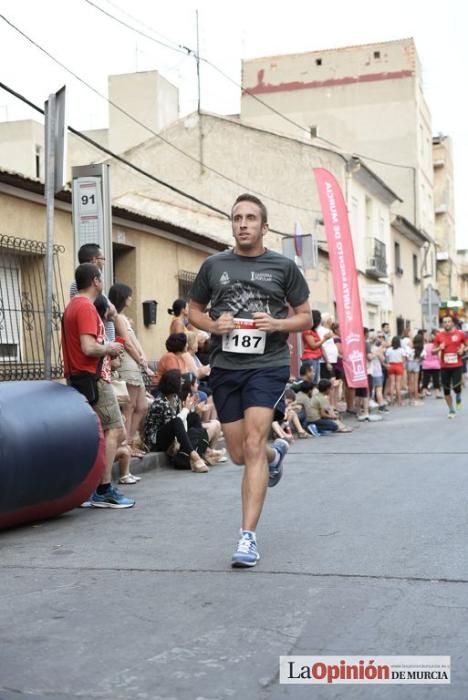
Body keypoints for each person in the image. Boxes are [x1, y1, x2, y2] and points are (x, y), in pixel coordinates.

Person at [188, 193, 311, 568]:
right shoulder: (214, 265)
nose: (243, 224)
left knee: (255, 443)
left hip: (267, 364)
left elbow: (305, 317)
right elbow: (193, 310)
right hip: (226, 367)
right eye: (237, 218)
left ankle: (247, 538)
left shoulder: (283, 267)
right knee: (241, 454)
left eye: (250, 218)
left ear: (264, 226)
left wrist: (278, 324)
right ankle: (277, 455)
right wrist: (213, 324)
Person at [62, 263, 135, 508]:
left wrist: (108, 359)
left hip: (84, 376)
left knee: (101, 434)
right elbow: (88, 347)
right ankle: (103, 489)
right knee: (115, 430)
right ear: (95, 280)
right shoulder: (85, 307)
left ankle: (90, 488)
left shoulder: (73, 306)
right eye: (101, 278)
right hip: (93, 379)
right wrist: (110, 348)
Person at [109, 283, 152, 457]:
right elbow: (126, 342)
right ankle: (125, 444)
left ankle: (130, 440)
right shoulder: (118, 318)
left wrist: (142, 360)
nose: (131, 298)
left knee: (141, 406)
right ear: (122, 297)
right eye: (128, 295)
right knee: (130, 406)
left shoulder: (122, 317)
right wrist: (140, 359)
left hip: (134, 365)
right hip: (128, 365)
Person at [143, 369, 209, 472]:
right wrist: (186, 409)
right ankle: (195, 457)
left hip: (171, 434)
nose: (182, 382)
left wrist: (189, 410)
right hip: (155, 441)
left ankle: (193, 453)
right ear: (173, 383)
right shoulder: (160, 403)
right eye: (180, 380)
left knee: (194, 417)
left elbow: (181, 426)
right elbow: (174, 425)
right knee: (178, 421)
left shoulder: (176, 399)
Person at [69, 243, 115, 341]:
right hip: (100, 342)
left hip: (103, 343)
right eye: (103, 259)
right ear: (94, 259)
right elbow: (110, 309)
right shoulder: (88, 285)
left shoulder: (83, 284)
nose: (104, 262)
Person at [432, 315, 467, 418]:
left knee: (456, 387)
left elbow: (466, 345)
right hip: (444, 366)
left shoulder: (460, 334)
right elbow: (433, 351)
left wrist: (463, 350)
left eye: (449, 321)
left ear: (452, 323)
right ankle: (451, 410)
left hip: (457, 365)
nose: (447, 323)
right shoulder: (439, 336)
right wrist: (439, 348)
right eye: (445, 322)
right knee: (446, 390)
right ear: (443, 324)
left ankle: (458, 397)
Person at [301, 309, 330, 384]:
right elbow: (313, 346)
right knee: (310, 379)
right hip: (310, 358)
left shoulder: (314, 331)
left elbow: (320, 347)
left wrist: (327, 361)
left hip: (316, 358)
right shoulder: (307, 331)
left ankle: (312, 393)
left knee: (315, 381)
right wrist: (325, 339)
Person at [385, 336, 405, 405]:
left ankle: (391, 400)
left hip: (391, 365)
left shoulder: (389, 350)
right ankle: (399, 400)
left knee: (392, 383)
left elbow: (387, 359)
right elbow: (403, 360)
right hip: (399, 365)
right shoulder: (401, 350)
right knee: (398, 384)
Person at [421, 330, 442, 398]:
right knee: (436, 379)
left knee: (425, 379)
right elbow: (439, 356)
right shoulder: (436, 346)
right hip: (435, 364)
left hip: (426, 365)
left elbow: (423, 356)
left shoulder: (424, 346)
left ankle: (423, 392)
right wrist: (440, 363)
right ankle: (437, 393)